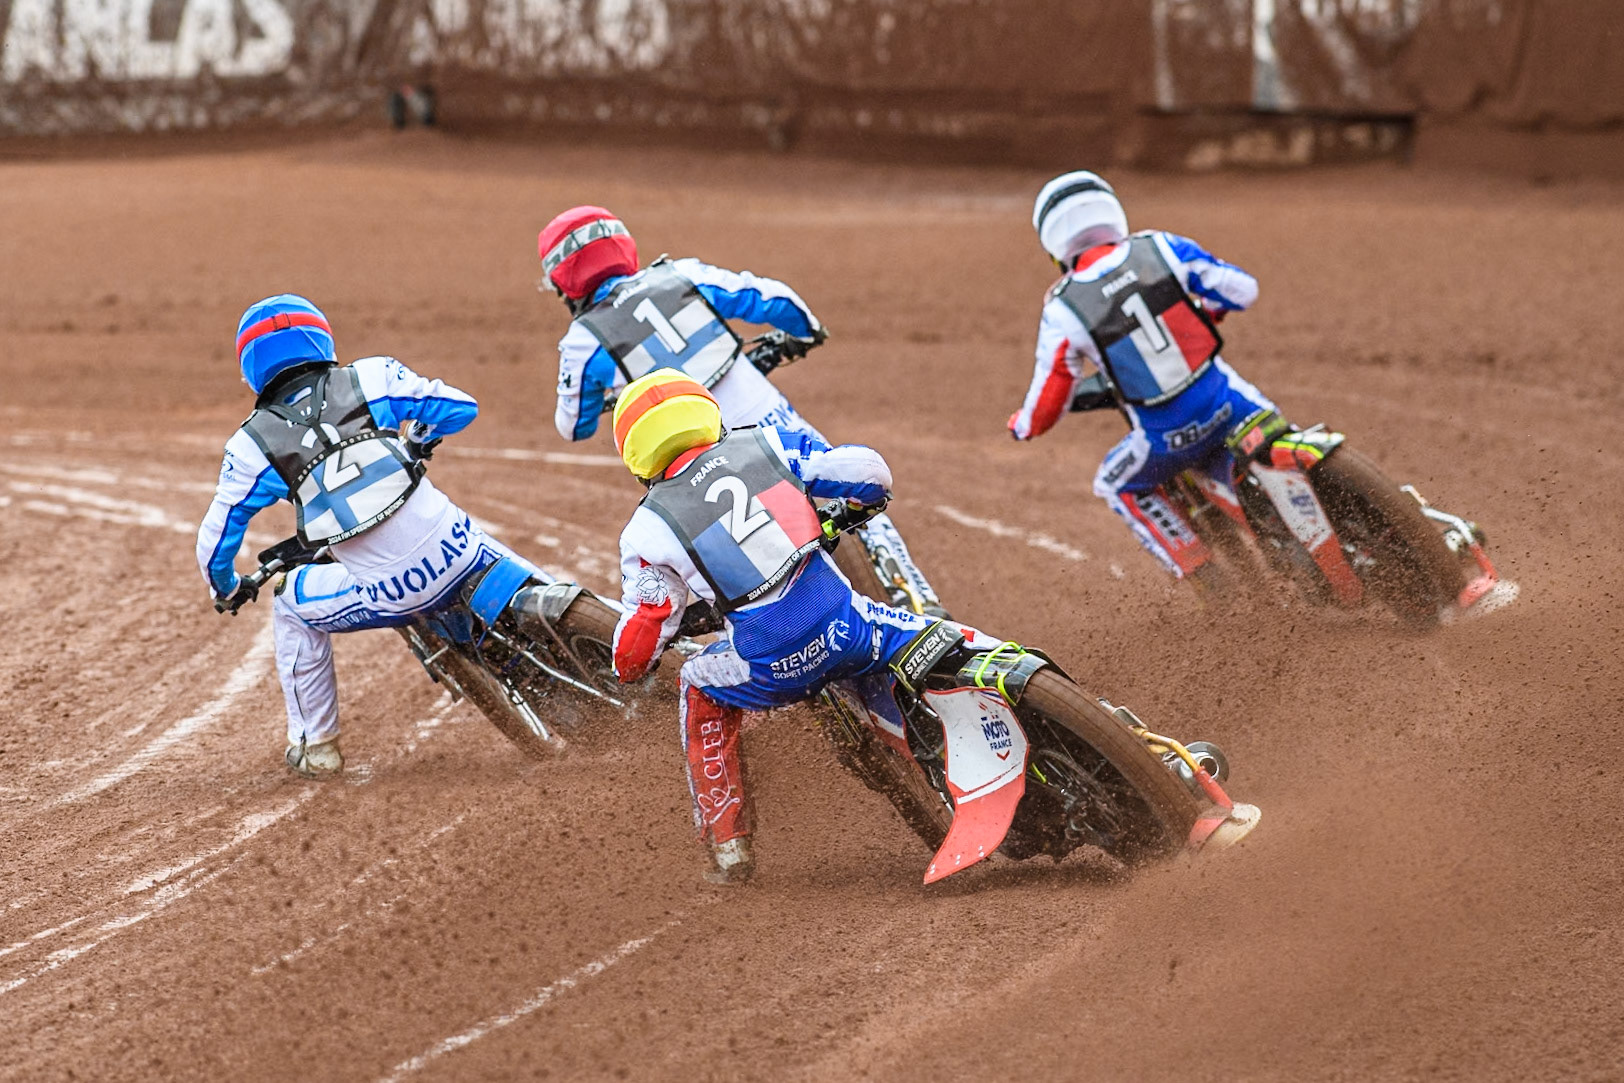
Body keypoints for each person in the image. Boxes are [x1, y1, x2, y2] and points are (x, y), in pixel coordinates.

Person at [606, 369, 990, 884]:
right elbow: (869, 474)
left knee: (697, 685)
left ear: (636, 457)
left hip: (768, 668)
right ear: (706, 414)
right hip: (850, 627)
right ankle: (1027, 693)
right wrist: (852, 510)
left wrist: (637, 661)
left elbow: (637, 644)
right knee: (958, 640)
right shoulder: (762, 446)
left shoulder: (645, 529)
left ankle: (729, 843)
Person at [537, 204, 946, 616]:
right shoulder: (680, 274)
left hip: (697, 463)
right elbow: (770, 298)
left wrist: (614, 398)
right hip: (768, 423)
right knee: (851, 484)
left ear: (564, 279)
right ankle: (915, 597)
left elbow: (572, 425)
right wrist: (802, 335)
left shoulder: (582, 342)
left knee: (732, 558)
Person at [196, 293, 536, 777]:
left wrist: (227, 586)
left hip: (393, 593)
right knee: (506, 558)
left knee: (290, 604)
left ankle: (317, 747)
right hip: (462, 551)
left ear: (252, 367)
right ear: (320, 336)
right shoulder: (371, 376)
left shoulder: (250, 445)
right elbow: (460, 407)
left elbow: (216, 538)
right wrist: (415, 438)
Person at [1007, 171, 1277, 583]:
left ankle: (1202, 572)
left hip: (1166, 439)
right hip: (1230, 405)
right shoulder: (1161, 247)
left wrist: (1023, 426)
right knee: (1275, 428)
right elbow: (1243, 291)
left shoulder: (1063, 307)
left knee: (1116, 484)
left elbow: (1050, 395)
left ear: (1053, 242)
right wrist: (1206, 309)